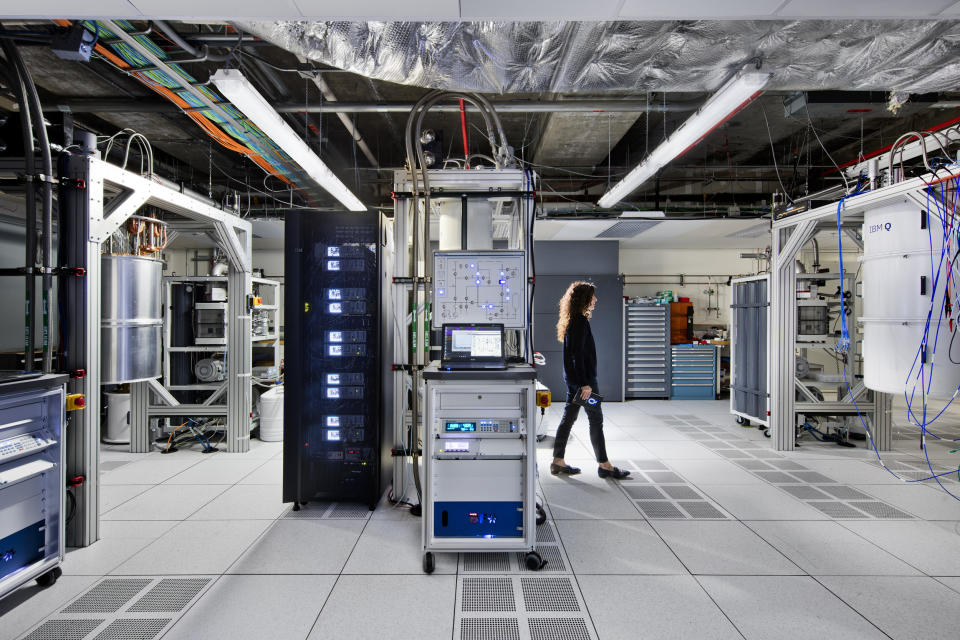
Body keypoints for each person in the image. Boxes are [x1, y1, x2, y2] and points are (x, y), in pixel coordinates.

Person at [550, 281, 630, 480]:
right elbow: (576, 355)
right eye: (592, 296)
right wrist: (585, 384)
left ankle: (558, 461)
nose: (595, 299)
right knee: (596, 419)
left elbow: (572, 356)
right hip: (584, 384)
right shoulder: (579, 321)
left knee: (568, 418)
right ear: (584, 299)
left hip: (575, 382)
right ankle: (605, 465)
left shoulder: (573, 320)